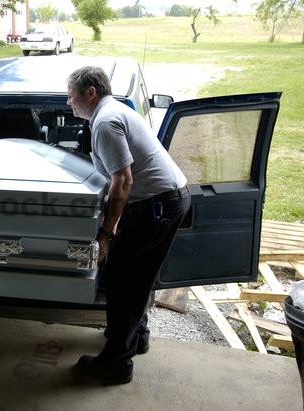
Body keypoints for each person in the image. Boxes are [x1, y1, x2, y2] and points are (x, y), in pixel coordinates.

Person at [67, 66, 190, 384]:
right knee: (137, 275)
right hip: (164, 200)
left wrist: (106, 233)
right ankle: (137, 337)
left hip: (156, 205)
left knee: (123, 279)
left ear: (90, 92)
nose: (69, 102)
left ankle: (117, 362)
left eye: (72, 96)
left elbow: (122, 180)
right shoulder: (113, 111)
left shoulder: (106, 122)